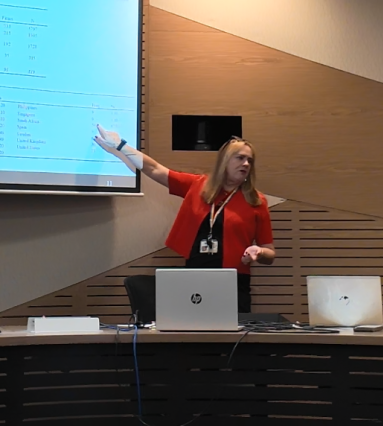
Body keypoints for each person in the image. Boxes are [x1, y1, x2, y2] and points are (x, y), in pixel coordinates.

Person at [93, 126, 275, 312]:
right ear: (225, 161)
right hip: (194, 279)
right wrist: (121, 146)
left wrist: (259, 251)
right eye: (240, 158)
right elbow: (155, 169)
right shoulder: (198, 186)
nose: (246, 164)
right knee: (193, 327)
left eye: (250, 160)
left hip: (234, 282)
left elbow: (270, 253)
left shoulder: (256, 201)